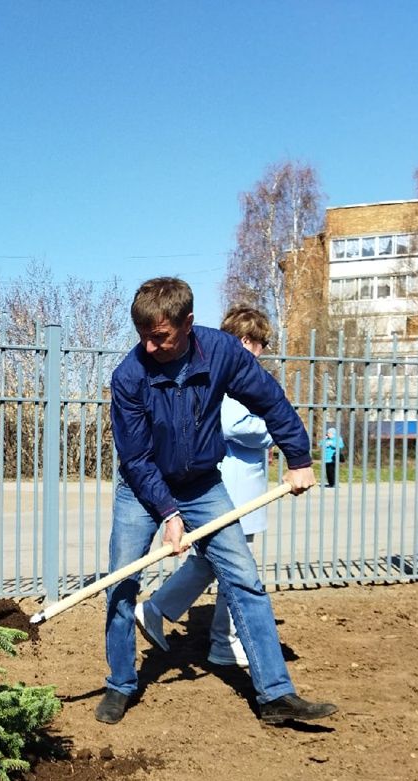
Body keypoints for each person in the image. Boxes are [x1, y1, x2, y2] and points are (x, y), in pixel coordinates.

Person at [96, 277, 337, 727]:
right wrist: (168, 514)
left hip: (204, 484)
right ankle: (120, 684)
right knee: (121, 583)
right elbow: (136, 457)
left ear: (188, 323)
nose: (149, 347)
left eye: (160, 337)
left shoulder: (222, 352)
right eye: (143, 337)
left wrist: (298, 456)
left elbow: (271, 401)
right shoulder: (130, 376)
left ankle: (275, 695)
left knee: (244, 578)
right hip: (141, 487)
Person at [136, 306, 274, 669]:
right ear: (247, 340)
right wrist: (270, 430)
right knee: (238, 569)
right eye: (260, 344)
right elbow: (233, 425)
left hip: (235, 483)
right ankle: (224, 641)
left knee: (209, 563)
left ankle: (156, 609)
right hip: (233, 486)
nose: (262, 352)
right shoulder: (232, 372)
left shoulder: (216, 366)